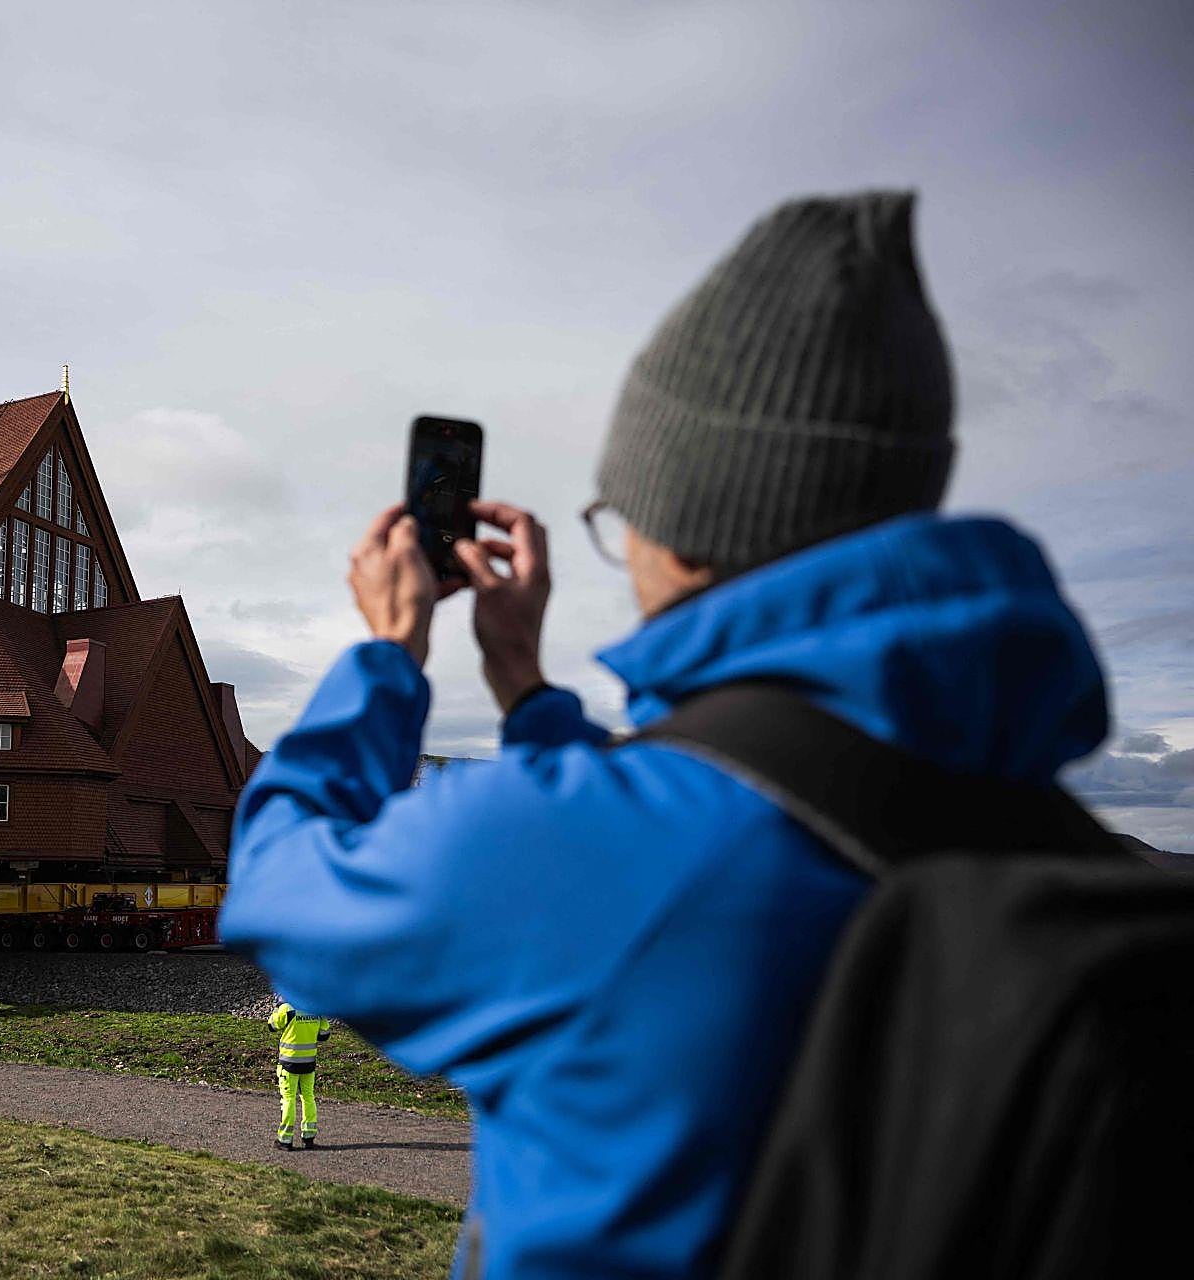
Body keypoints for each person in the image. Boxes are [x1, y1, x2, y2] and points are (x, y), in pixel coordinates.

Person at [219, 190, 1109, 1279]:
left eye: (619, 516)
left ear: (685, 532)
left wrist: (390, 653)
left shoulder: (597, 852)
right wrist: (531, 693)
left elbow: (278, 890)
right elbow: (677, 831)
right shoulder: (1048, 834)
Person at [267, 1002, 331, 1150]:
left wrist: (277, 1007)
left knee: (288, 1098)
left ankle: (285, 1139)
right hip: (309, 1061)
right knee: (308, 1097)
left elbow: (272, 1025)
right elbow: (324, 1035)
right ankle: (309, 1137)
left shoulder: (287, 1009)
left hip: (289, 1062)